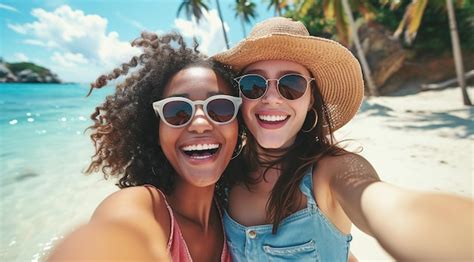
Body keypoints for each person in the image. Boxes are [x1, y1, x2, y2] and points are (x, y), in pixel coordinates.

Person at [213, 17, 473, 261]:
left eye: (291, 84)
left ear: (311, 97)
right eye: (253, 85)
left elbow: (387, 207)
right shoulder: (222, 174)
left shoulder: (332, 171)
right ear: (240, 96)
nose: (271, 98)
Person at [48, 32, 244, 261]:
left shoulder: (236, 219)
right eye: (177, 111)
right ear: (155, 129)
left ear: (239, 126)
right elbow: (110, 239)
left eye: (220, 108)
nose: (200, 124)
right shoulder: (142, 207)